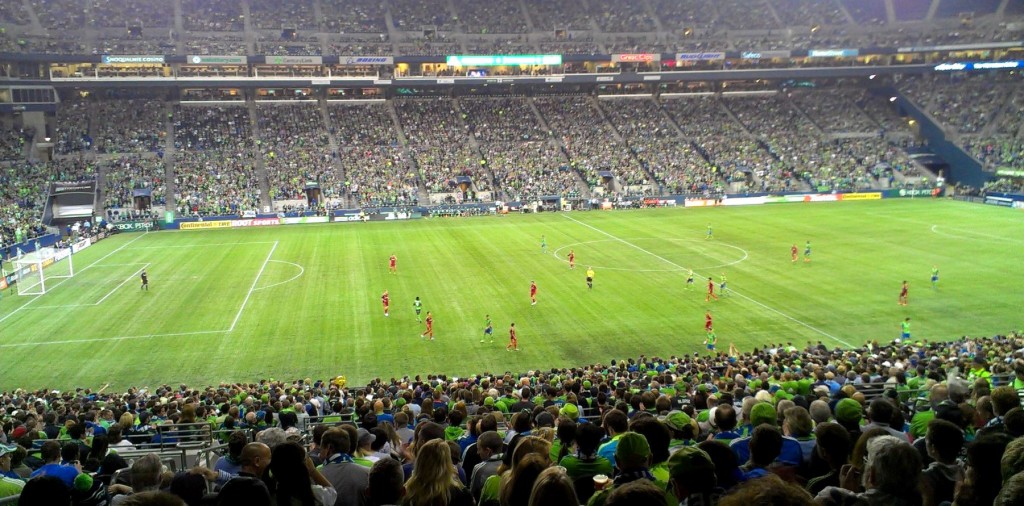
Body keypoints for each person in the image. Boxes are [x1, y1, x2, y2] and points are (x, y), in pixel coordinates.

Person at [403, 439, 472, 506]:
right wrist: (459, 482)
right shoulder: (459, 495)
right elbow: (471, 501)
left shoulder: (409, 491)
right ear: (447, 462)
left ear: (420, 461)